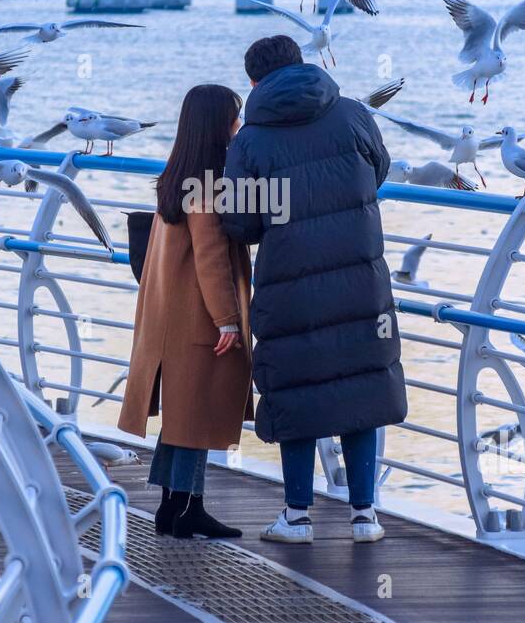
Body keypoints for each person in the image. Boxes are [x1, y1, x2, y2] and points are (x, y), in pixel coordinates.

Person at [221, 34, 406, 544]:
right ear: (302, 65)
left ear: (255, 82)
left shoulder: (251, 141)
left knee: (294, 389)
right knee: (362, 382)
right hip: (360, 275)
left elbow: (239, 221)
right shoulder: (352, 115)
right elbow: (379, 171)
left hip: (289, 283)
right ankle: (365, 515)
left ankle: (297, 518)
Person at [119, 84, 253, 539]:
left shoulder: (177, 175)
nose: (238, 125)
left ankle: (172, 506)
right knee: (197, 416)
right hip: (199, 319)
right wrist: (228, 320)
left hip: (168, 317)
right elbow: (211, 259)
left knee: (182, 417)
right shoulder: (210, 184)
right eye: (233, 117)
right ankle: (185, 511)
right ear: (217, 124)